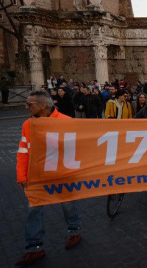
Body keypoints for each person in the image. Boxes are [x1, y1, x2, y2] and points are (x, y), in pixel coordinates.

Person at [15, 91, 82, 266]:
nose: (26, 107)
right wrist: (22, 176)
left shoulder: (66, 122)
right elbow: (23, 151)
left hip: (62, 173)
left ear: (43, 105)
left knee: (68, 204)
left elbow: (79, 148)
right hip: (36, 175)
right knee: (33, 210)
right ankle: (34, 248)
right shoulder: (27, 124)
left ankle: (74, 231)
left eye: (30, 104)